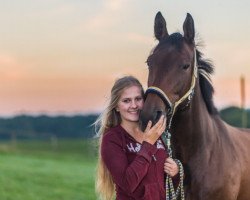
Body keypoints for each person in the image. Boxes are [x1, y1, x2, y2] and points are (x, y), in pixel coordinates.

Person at [95, 76, 179, 200]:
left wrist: (175, 172)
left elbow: (163, 183)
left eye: (138, 99)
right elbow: (128, 184)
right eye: (126, 101)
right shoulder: (112, 139)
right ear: (116, 106)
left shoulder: (153, 133)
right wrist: (148, 144)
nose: (134, 105)